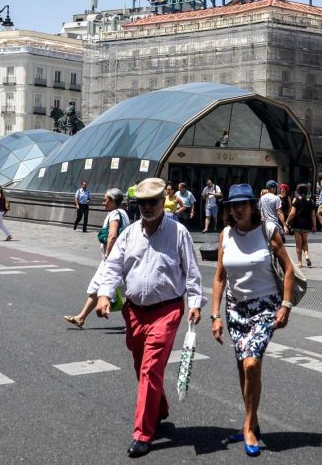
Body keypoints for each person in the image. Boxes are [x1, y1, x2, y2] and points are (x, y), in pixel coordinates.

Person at [93, 178, 205, 459]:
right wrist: (105, 295)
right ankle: (160, 407)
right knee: (141, 363)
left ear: (162, 202)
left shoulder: (178, 233)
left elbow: (192, 272)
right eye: (141, 203)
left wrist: (195, 303)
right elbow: (113, 267)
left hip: (166, 310)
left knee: (150, 368)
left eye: (152, 202)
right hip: (134, 311)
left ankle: (143, 433)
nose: (147, 207)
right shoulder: (130, 234)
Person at [210, 183, 294, 456]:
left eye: (242, 204)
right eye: (233, 205)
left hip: (265, 306)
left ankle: (247, 426)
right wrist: (215, 315)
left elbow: (289, 269)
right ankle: (253, 421)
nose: (237, 209)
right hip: (235, 308)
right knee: (242, 366)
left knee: (251, 363)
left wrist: (286, 305)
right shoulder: (225, 234)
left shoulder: (268, 230)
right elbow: (220, 278)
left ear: (252, 206)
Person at [65, 188, 130, 329]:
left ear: (113, 201)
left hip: (113, 259)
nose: (103, 203)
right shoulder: (124, 213)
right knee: (97, 286)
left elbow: (112, 235)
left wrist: (108, 255)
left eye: (106, 200)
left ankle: (133, 322)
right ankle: (81, 317)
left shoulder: (114, 214)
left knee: (128, 291)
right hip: (116, 258)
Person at [285, 183, 316, 266]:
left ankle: (300, 262)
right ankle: (306, 256)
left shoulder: (296, 200)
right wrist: (314, 226)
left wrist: (287, 222)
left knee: (298, 244)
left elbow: (292, 213)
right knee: (305, 242)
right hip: (306, 224)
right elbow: (313, 215)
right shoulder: (311, 201)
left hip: (297, 224)